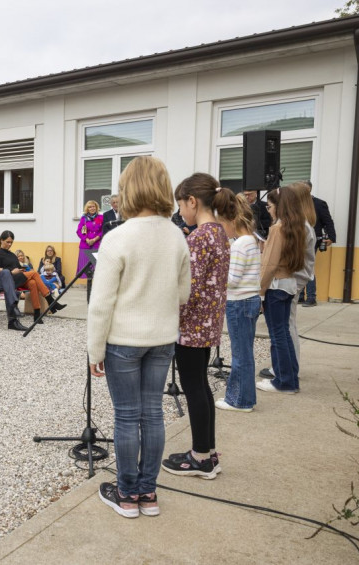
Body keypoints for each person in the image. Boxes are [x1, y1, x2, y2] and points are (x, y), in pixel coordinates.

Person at [88, 156, 190, 518]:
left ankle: (127, 494)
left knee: (127, 416)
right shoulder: (176, 235)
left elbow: (101, 303)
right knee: (153, 414)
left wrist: (94, 350)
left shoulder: (117, 237)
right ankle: (148, 493)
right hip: (162, 339)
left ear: (127, 190)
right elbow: (182, 294)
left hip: (124, 342)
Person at [162, 173, 235, 480]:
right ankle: (207, 450)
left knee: (194, 388)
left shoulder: (199, 238)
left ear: (192, 201)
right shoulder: (219, 233)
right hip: (207, 324)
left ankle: (200, 457)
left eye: (181, 205)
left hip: (191, 325)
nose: (180, 212)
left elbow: (186, 289)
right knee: (201, 386)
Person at [256, 187, 307, 395]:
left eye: (270, 206)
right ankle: (290, 378)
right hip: (289, 283)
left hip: (276, 285)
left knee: (278, 335)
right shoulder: (297, 227)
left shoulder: (278, 228)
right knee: (283, 334)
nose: (268, 210)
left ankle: (284, 382)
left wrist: (260, 291)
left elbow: (269, 264)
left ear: (279, 206)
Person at [215, 195, 261, 413]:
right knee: (245, 353)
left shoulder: (239, 244)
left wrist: (217, 271)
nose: (222, 230)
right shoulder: (251, 240)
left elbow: (232, 280)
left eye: (222, 224)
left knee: (240, 355)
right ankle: (244, 397)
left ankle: (239, 400)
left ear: (232, 220)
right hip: (249, 300)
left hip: (239, 303)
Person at [0, 230, 66, 321]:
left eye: (11, 242)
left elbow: (17, 267)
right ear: (1, 240)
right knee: (34, 273)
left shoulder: (12, 255)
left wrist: (21, 270)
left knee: (33, 283)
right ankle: (51, 301)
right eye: (7, 242)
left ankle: (37, 314)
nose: (9, 244)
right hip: (8, 280)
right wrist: (11, 272)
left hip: (18, 278)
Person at [300, 181, 336, 307]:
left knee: (308, 267)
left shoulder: (319, 204)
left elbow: (328, 221)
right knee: (299, 266)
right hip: (298, 240)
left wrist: (331, 237)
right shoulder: (295, 204)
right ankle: (300, 296)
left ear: (309, 189)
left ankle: (311, 297)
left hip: (313, 239)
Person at [76, 200, 103, 276]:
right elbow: (79, 231)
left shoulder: (100, 217)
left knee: (96, 268)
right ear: (87, 209)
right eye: (90, 207)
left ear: (96, 207)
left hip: (96, 245)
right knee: (86, 269)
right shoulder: (84, 218)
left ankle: (95, 283)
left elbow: (102, 230)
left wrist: (94, 239)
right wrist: (86, 239)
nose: (92, 208)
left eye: (93, 206)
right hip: (85, 245)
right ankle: (89, 283)